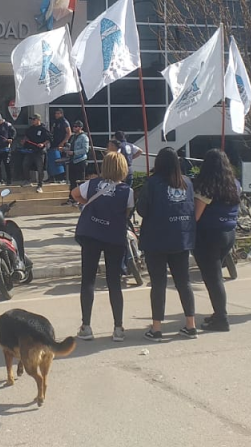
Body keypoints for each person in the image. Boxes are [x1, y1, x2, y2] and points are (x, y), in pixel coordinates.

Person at [70, 152, 133, 342]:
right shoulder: (127, 191)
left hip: (91, 234)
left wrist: (87, 204)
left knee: (88, 279)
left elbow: (74, 194)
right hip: (113, 236)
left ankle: (86, 326)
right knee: (114, 281)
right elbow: (127, 211)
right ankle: (118, 328)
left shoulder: (92, 184)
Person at [136, 147, 198, 341]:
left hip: (157, 239)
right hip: (181, 238)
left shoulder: (153, 183)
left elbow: (142, 210)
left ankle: (156, 328)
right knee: (183, 282)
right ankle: (190, 324)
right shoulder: (187, 182)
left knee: (159, 283)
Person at [193, 149, 242, 332]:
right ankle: (218, 312)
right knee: (216, 276)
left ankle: (221, 317)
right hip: (228, 233)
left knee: (213, 279)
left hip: (208, 235)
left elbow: (196, 216)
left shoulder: (206, 187)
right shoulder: (234, 184)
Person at [20, 113, 51, 193]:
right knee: (25, 164)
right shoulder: (30, 129)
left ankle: (40, 185)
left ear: (38, 120)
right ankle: (28, 180)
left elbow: (49, 139)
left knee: (40, 168)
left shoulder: (44, 129)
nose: (32, 121)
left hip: (39, 152)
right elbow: (26, 137)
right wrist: (24, 141)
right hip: (30, 151)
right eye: (32, 120)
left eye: (34, 119)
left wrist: (43, 144)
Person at [64, 121, 89, 203]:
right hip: (73, 161)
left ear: (81, 127)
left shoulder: (84, 137)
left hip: (80, 161)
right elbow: (71, 146)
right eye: (74, 126)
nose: (74, 128)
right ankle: (72, 198)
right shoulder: (73, 137)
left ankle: (80, 198)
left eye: (76, 126)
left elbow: (85, 150)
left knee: (80, 180)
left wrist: (74, 152)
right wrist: (65, 150)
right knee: (72, 180)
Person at [51, 109, 72, 183]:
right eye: (55, 113)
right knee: (54, 160)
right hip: (54, 143)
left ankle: (63, 178)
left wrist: (63, 142)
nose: (56, 115)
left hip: (62, 144)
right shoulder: (55, 122)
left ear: (61, 114)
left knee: (62, 161)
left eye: (58, 113)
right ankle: (54, 177)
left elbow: (69, 133)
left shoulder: (64, 122)